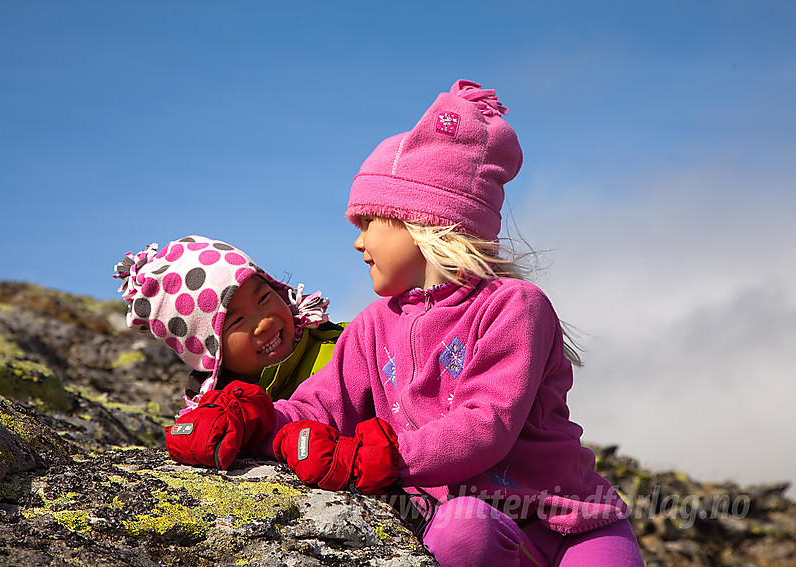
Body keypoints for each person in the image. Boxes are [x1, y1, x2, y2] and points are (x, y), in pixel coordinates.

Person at [165, 81, 645, 566]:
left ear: (420, 221)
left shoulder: (515, 306)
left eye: (367, 223)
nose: (357, 243)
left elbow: (486, 423)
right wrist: (252, 418)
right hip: (471, 522)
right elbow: (320, 407)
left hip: (571, 526)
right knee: (460, 532)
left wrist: (387, 457)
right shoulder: (372, 327)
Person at [112, 235, 343, 419]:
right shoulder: (220, 413)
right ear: (210, 352)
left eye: (263, 298)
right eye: (236, 321)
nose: (263, 323)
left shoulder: (340, 354)